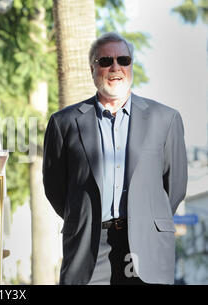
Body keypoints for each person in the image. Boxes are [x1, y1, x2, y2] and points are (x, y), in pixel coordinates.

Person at [42, 32, 187, 285]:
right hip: (89, 244)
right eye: (106, 61)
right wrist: (84, 216)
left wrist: (146, 216)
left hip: (146, 244)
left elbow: (174, 188)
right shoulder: (63, 122)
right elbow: (55, 188)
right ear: (92, 68)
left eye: (123, 60)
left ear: (131, 66)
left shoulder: (165, 119)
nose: (115, 67)